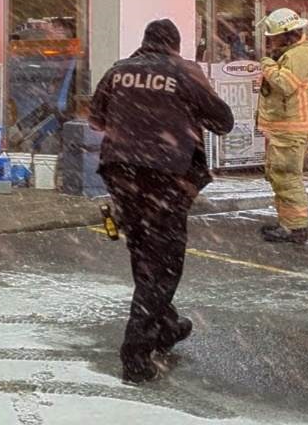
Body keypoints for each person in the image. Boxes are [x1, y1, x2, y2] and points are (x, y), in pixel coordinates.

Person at [89, 19, 233, 384]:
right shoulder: (184, 71)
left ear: (145, 41)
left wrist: (133, 126)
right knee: (165, 262)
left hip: (121, 173)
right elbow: (223, 121)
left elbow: (95, 119)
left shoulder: (119, 71)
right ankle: (136, 354)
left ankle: (166, 326)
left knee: (143, 253)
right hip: (167, 176)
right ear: (174, 45)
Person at [256, 7, 308, 245]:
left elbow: (284, 84)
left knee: (287, 177)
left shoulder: (299, 55)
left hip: (291, 129)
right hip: (287, 128)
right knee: (280, 176)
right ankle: (288, 223)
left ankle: (294, 228)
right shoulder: (296, 53)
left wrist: (267, 65)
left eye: (274, 37)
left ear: (286, 34)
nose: (271, 41)